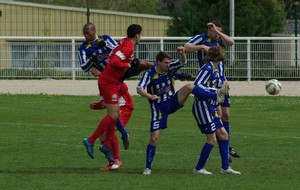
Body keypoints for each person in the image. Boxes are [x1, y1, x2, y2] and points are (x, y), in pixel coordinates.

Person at [137, 46, 228, 175]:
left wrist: (182, 54)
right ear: (158, 62)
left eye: (169, 62)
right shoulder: (150, 73)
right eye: (166, 63)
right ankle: (148, 167)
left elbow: (182, 62)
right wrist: (149, 96)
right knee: (154, 138)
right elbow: (139, 88)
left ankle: (211, 98)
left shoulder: (170, 68)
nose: (168, 65)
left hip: (173, 101)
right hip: (158, 108)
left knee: (189, 86)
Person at [82, 24, 143, 170]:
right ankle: (102, 148)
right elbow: (115, 60)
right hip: (109, 82)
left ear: (95, 32)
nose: (86, 36)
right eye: (85, 34)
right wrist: (128, 65)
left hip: (110, 82)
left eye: (89, 33)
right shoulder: (127, 47)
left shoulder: (120, 42)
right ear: (138, 35)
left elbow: (115, 52)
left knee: (111, 122)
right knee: (112, 119)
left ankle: (112, 154)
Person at [184, 21, 240, 160]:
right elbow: (186, 47)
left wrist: (218, 32)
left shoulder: (220, 39)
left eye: (216, 31)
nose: (215, 33)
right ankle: (224, 148)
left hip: (222, 82)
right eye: (213, 30)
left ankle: (227, 146)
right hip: (211, 83)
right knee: (218, 111)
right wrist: (201, 46)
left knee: (225, 115)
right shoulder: (202, 38)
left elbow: (231, 42)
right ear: (208, 31)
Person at [192, 46, 240, 175]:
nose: (224, 54)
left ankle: (225, 168)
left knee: (223, 135)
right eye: (222, 52)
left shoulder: (216, 68)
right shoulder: (207, 68)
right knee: (212, 139)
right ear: (218, 55)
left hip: (211, 106)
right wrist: (216, 91)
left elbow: (218, 87)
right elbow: (197, 85)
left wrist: (223, 88)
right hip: (202, 106)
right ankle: (198, 168)